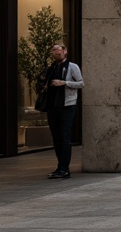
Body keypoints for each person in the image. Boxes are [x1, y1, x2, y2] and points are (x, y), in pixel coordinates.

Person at [43, 42, 84, 179]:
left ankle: (64, 168)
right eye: (53, 50)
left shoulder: (72, 67)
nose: (56, 52)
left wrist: (64, 83)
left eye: (58, 49)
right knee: (56, 137)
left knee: (65, 137)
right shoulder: (51, 67)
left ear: (65, 51)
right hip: (52, 106)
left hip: (67, 105)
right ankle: (59, 167)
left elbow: (81, 83)